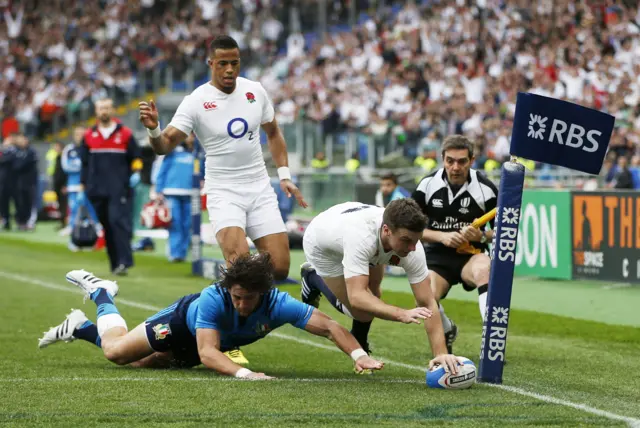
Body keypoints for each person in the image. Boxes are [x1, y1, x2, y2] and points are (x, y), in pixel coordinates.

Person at [139, 35, 307, 363]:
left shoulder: (255, 91)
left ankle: (241, 313)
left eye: (235, 63)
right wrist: (154, 129)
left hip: (259, 187)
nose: (229, 70)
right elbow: (164, 145)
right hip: (223, 190)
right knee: (241, 267)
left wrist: (284, 176)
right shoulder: (196, 100)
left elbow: (273, 133)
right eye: (223, 64)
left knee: (282, 266)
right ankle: (225, 337)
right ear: (210, 65)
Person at [37, 253, 385, 378]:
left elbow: (328, 327)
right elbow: (207, 353)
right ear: (228, 290)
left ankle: (81, 328)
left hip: (210, 342)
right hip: (180, 323)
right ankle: (101, 294)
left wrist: (359, 355)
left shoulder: (279, 304)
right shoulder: (211, 300)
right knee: (116, 354)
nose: (242, 305)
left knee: (141, 365)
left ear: (263, 293)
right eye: (236, 297)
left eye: (249, 299)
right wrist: (245, 374)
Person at [300, 198, 459, 374]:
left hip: (354, 226)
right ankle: (311, 277)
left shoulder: (413, 248)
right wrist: (401, 313)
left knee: (374, 294)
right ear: (386, 230)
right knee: (362, 310)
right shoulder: (361, 237)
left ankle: (360, 341)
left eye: (416, 240)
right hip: (323, 246)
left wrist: (441, 354)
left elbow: (428, 303)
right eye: (406, 240)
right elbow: (357, 297)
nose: (412, 248)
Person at [411, 135, 498, 354]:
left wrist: (480, 236)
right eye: (450, 161)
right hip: (437, 256)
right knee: (424, 298)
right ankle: (447, 329)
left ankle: (490, 342)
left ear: (472, 160)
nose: (455, 167)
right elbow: (408, 229)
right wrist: (442, 236)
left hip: (472, 254)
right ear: (442, 159)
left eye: (462, 161)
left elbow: (503, 233)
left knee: (484, 269)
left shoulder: (486, 189)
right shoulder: (427, 185)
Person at [79, 99, 142, 275]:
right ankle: (115, 264)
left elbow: (136, 157)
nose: (104, 111)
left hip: (119, 188)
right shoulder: (89, 136)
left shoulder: (125, 134)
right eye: (101, 108)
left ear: (112, 110)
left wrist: (135, 174)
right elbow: (84, 163)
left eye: (107, 108)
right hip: (96, 190)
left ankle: (124, 262)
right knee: (106, 226)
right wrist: (83, 186)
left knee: (118, 223)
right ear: (96, 111)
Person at [154, 133, 196, 262]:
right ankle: (175, 253)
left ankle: (182, 253)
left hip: (190, 193)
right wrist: (158, 190)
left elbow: (203, 172)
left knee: (187, 224)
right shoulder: (172, 151)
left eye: (192, 136)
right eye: (188, 135)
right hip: (172, 192)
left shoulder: (198, 154)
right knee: (175, 223)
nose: (190, 138)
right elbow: (163, 170)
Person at [12, 133, 38, 230]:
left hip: (30, 181)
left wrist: (19, 164)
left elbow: (21, 165)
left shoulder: (31, 152)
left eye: (22, 139)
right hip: (20, 182)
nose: (21, 142)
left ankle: (31, 222)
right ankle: (21, 222)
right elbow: (15, 165)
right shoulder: (17, 151)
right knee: (21, 202)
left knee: (30, 202)